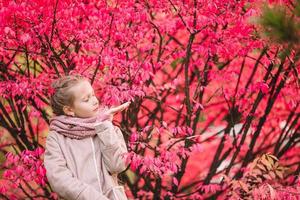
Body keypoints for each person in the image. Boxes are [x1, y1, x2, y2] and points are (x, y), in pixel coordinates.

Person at [44, 74, 130, 200]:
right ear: (69, 110)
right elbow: (59, 179)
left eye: (93, 95)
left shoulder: (107, 129)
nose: (95, 101)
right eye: (86, 99)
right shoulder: (56, 138)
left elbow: (117, 166)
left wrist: (105, 126)